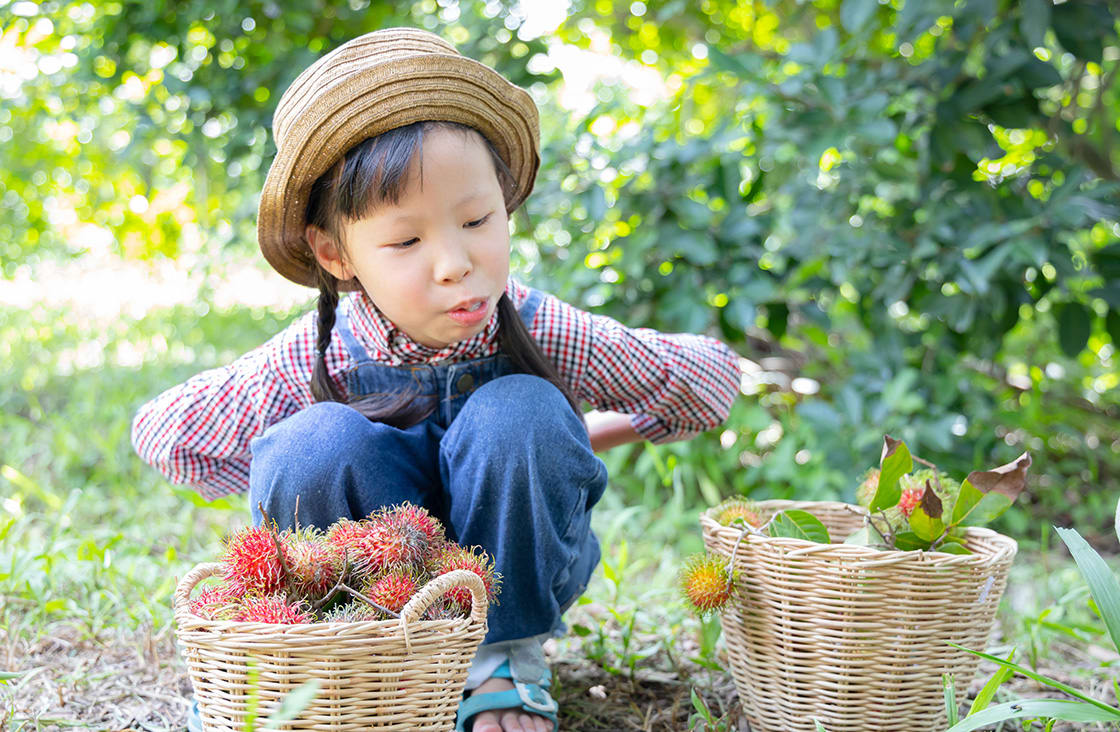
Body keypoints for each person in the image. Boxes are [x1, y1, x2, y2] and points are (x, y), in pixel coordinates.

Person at [132, 27, 740, 732]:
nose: (455, 262)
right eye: (406, 240)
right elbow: (165, 435)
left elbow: (710, 381)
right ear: (336, 254)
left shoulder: (540, 326)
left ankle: (502, 661)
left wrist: (577, 436)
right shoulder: (315, 352)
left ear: (505, 206)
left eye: (477, 219)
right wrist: (292, 471)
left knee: (522, 414)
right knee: (314, 442)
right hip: (384, 589)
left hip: (516, 581)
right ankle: (356, 651)